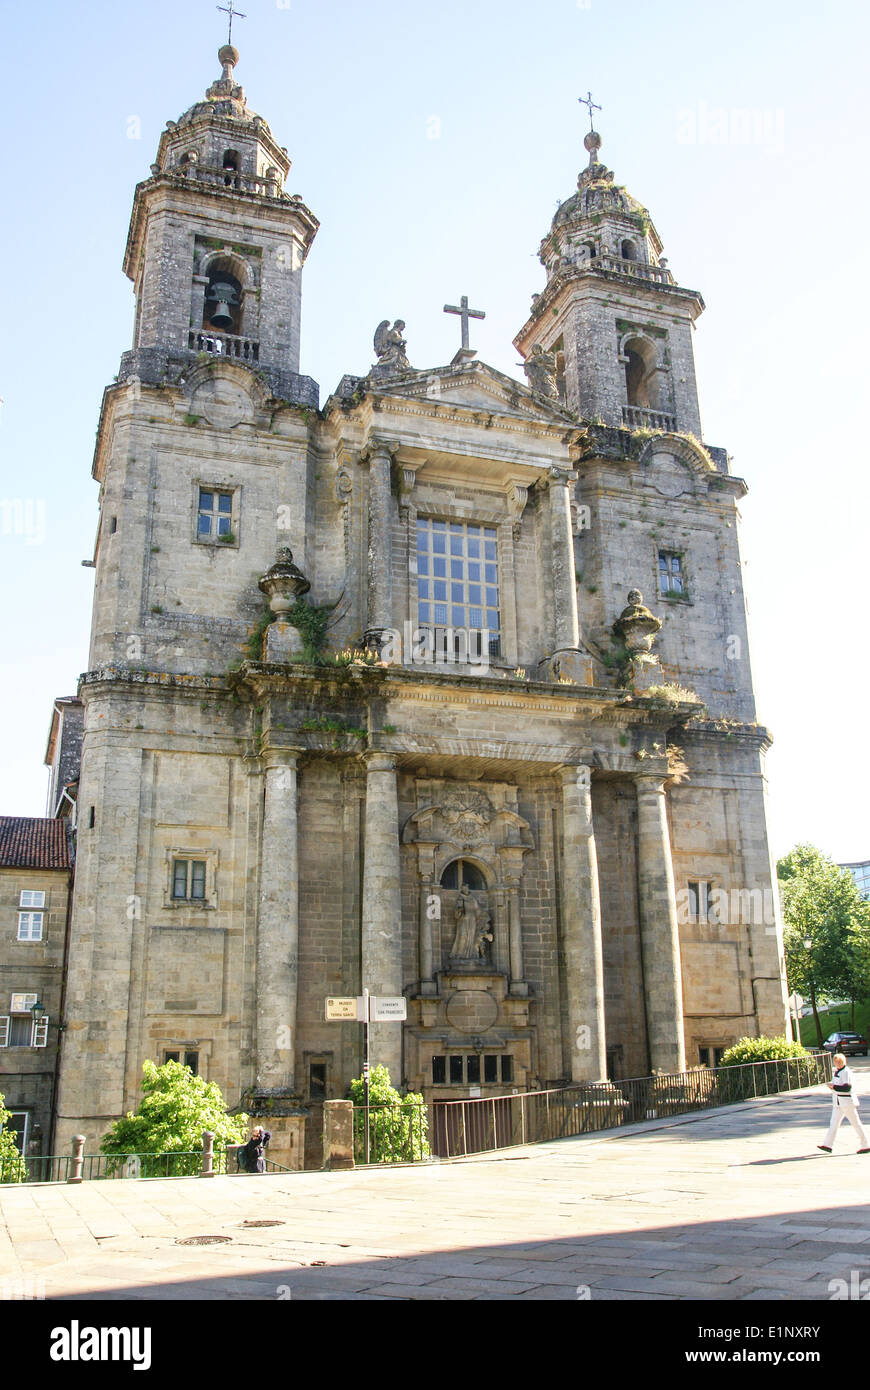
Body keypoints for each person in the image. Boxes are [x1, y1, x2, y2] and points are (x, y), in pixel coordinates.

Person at [818, 1053, 870, 1153]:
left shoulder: (845, 1072)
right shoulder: (838, 1071)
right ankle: (827, 1144)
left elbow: (847, 1087)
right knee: (833, 1124)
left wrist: (834, 1087)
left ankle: (866, 1144)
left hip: (847, 1102)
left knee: (856, 1123)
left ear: (843, 1062)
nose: (837, 1064)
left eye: (839, 1062)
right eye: (836, 1062)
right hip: (838, 1103)